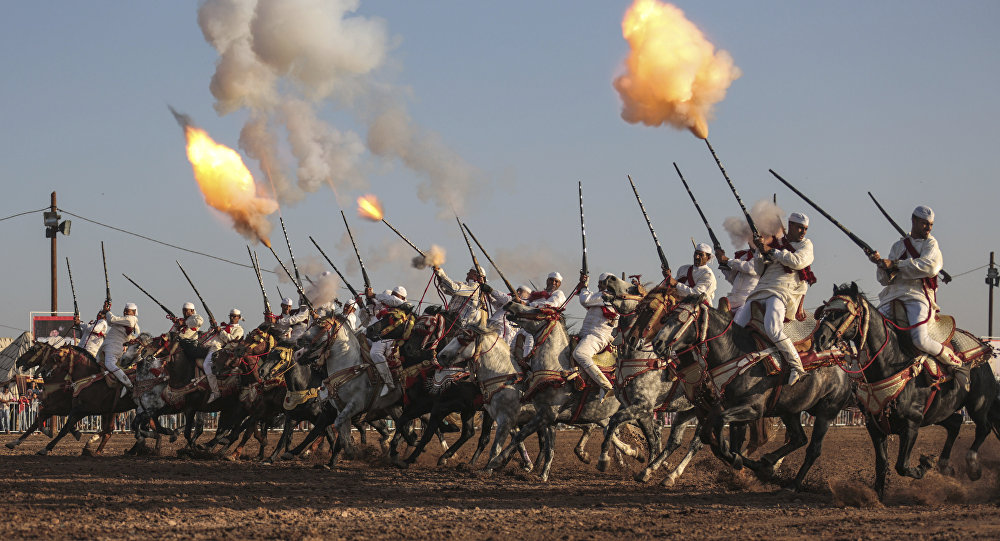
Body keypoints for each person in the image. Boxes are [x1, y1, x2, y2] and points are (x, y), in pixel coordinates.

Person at [868, 205, 965, 387]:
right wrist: (881, 264)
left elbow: (929, 267)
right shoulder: (898, 246)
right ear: (913, 221)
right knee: (870, 329)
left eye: (930, 225)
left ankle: (955, 363)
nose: (928, 228)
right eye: (924, 224)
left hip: (917, 296)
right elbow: (884, 280)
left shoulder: (931, 244)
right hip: (892, 296)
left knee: (920, 339)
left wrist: (896, 264)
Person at [733, 212, 816, 386]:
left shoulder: (806, 245)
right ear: (790, 226)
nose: (803, 232)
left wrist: (773, 251)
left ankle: (797, 368)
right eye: (800, 227)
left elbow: (798, 262)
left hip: (782, 291)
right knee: (736, 329)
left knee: (773, 328)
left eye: (805, 229)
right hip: (760, 290)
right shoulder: (775, 244)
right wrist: (759, 251)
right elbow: (758, 269)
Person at [573, 272, 619, 400]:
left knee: (580, 354)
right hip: (585, 334)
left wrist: (584, 287)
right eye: (598, 284)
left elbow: (585, 299)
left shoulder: (608, 295)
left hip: (598, 336)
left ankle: (606, 386)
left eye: (601, 284)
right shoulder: (600, 296)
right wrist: (585, 285)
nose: (599, 286)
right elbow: (586, 301)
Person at [365, 286, 409, 393]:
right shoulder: (387, 308)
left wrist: (374, 295)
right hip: (376, 335)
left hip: (390, 337)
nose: (392, 296)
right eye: (392, 294)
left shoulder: (402, 305)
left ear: (402, 298)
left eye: (396, 295)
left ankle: (389, 383)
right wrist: (369, 300)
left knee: (375, 353)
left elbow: (392, 300)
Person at [204, 308, 245, 403]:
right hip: (211, 347)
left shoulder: (239, 330)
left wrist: (220, 332)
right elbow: (209, 335)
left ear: (238, 318)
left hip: (226, 351)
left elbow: (231, 340)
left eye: (234, 316)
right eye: (231, 316)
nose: (232, 318)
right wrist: (212, 326)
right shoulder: (223, 327)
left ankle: (215, 391)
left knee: (206, 365)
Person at [715, 240, 765, 313]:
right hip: (732, 299)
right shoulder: (743, 255)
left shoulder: (764, 256)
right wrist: (722, 262)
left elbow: (750, 268)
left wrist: (726, 260)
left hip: (748, 300)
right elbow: (732, 278)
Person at [103, 303, 140, 397]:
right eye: (124, 309)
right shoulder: (126, 320)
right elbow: (110, 322)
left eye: (127, 310)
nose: (124, 312)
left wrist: (107, 311)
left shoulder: (130, 319)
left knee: (109, 364)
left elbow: (111, 319)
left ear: (134, 312)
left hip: (113, 347)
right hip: (109, 346)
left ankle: (128, 385)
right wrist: (107, 311)